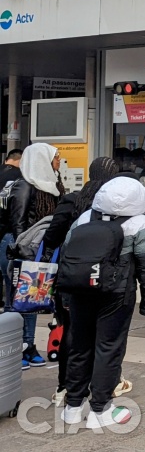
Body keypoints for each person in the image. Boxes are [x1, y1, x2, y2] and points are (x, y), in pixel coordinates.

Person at [59, 176, 145, 430]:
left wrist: (65, 297)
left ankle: (73, 407)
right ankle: (100, 409)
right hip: (117, 294)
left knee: (79, 346)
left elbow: (67, 259)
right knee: (109, 348)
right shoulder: (140, 224)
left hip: (81, 291)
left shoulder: (85, 219)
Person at [42, 157, 123, 407]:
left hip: (71, 276)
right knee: (106, 334)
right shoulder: (117, 204)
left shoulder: (71, 201)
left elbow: (51, 237)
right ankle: (104, 386)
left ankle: (65, 387)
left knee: (71, 329)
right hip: (106, 278)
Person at [1, 142, 64, 368]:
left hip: (38, 248)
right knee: (16, 301)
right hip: (19, 247)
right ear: (42, 160)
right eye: (56, 157)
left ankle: (28, 345)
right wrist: (24, 253)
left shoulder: (52, 185)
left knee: (33, 299)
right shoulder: (24, 185)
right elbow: (17, 223)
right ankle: (12, 349)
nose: (59, 161)